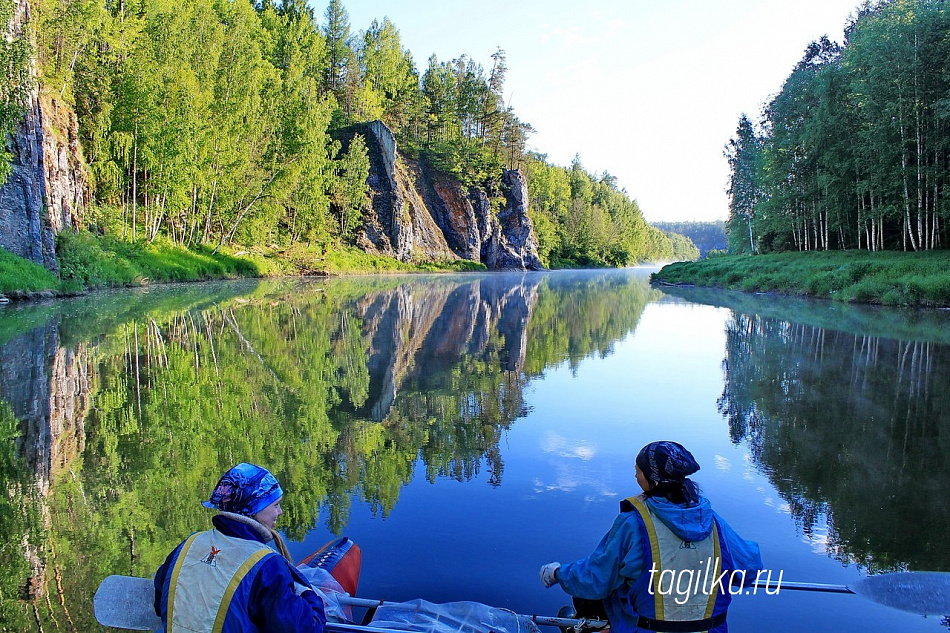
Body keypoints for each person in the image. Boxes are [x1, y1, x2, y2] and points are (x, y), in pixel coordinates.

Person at [539, 441, 763, 633]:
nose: (635, 474)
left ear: (651, 480)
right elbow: (750, 570)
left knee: (595, 595)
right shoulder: (714, 523)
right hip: (709, 629)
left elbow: (597, 578)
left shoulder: (634, 524)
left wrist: (558, 574)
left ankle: (586, 626)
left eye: (638, 470)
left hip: (647, 629)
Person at [154, 463, 327, 632]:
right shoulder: (267, 565)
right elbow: (305, 627)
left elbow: (160, 604)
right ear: (254, 509)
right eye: (275, 505)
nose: (279, 512)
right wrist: (309, 596)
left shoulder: (189, 545)